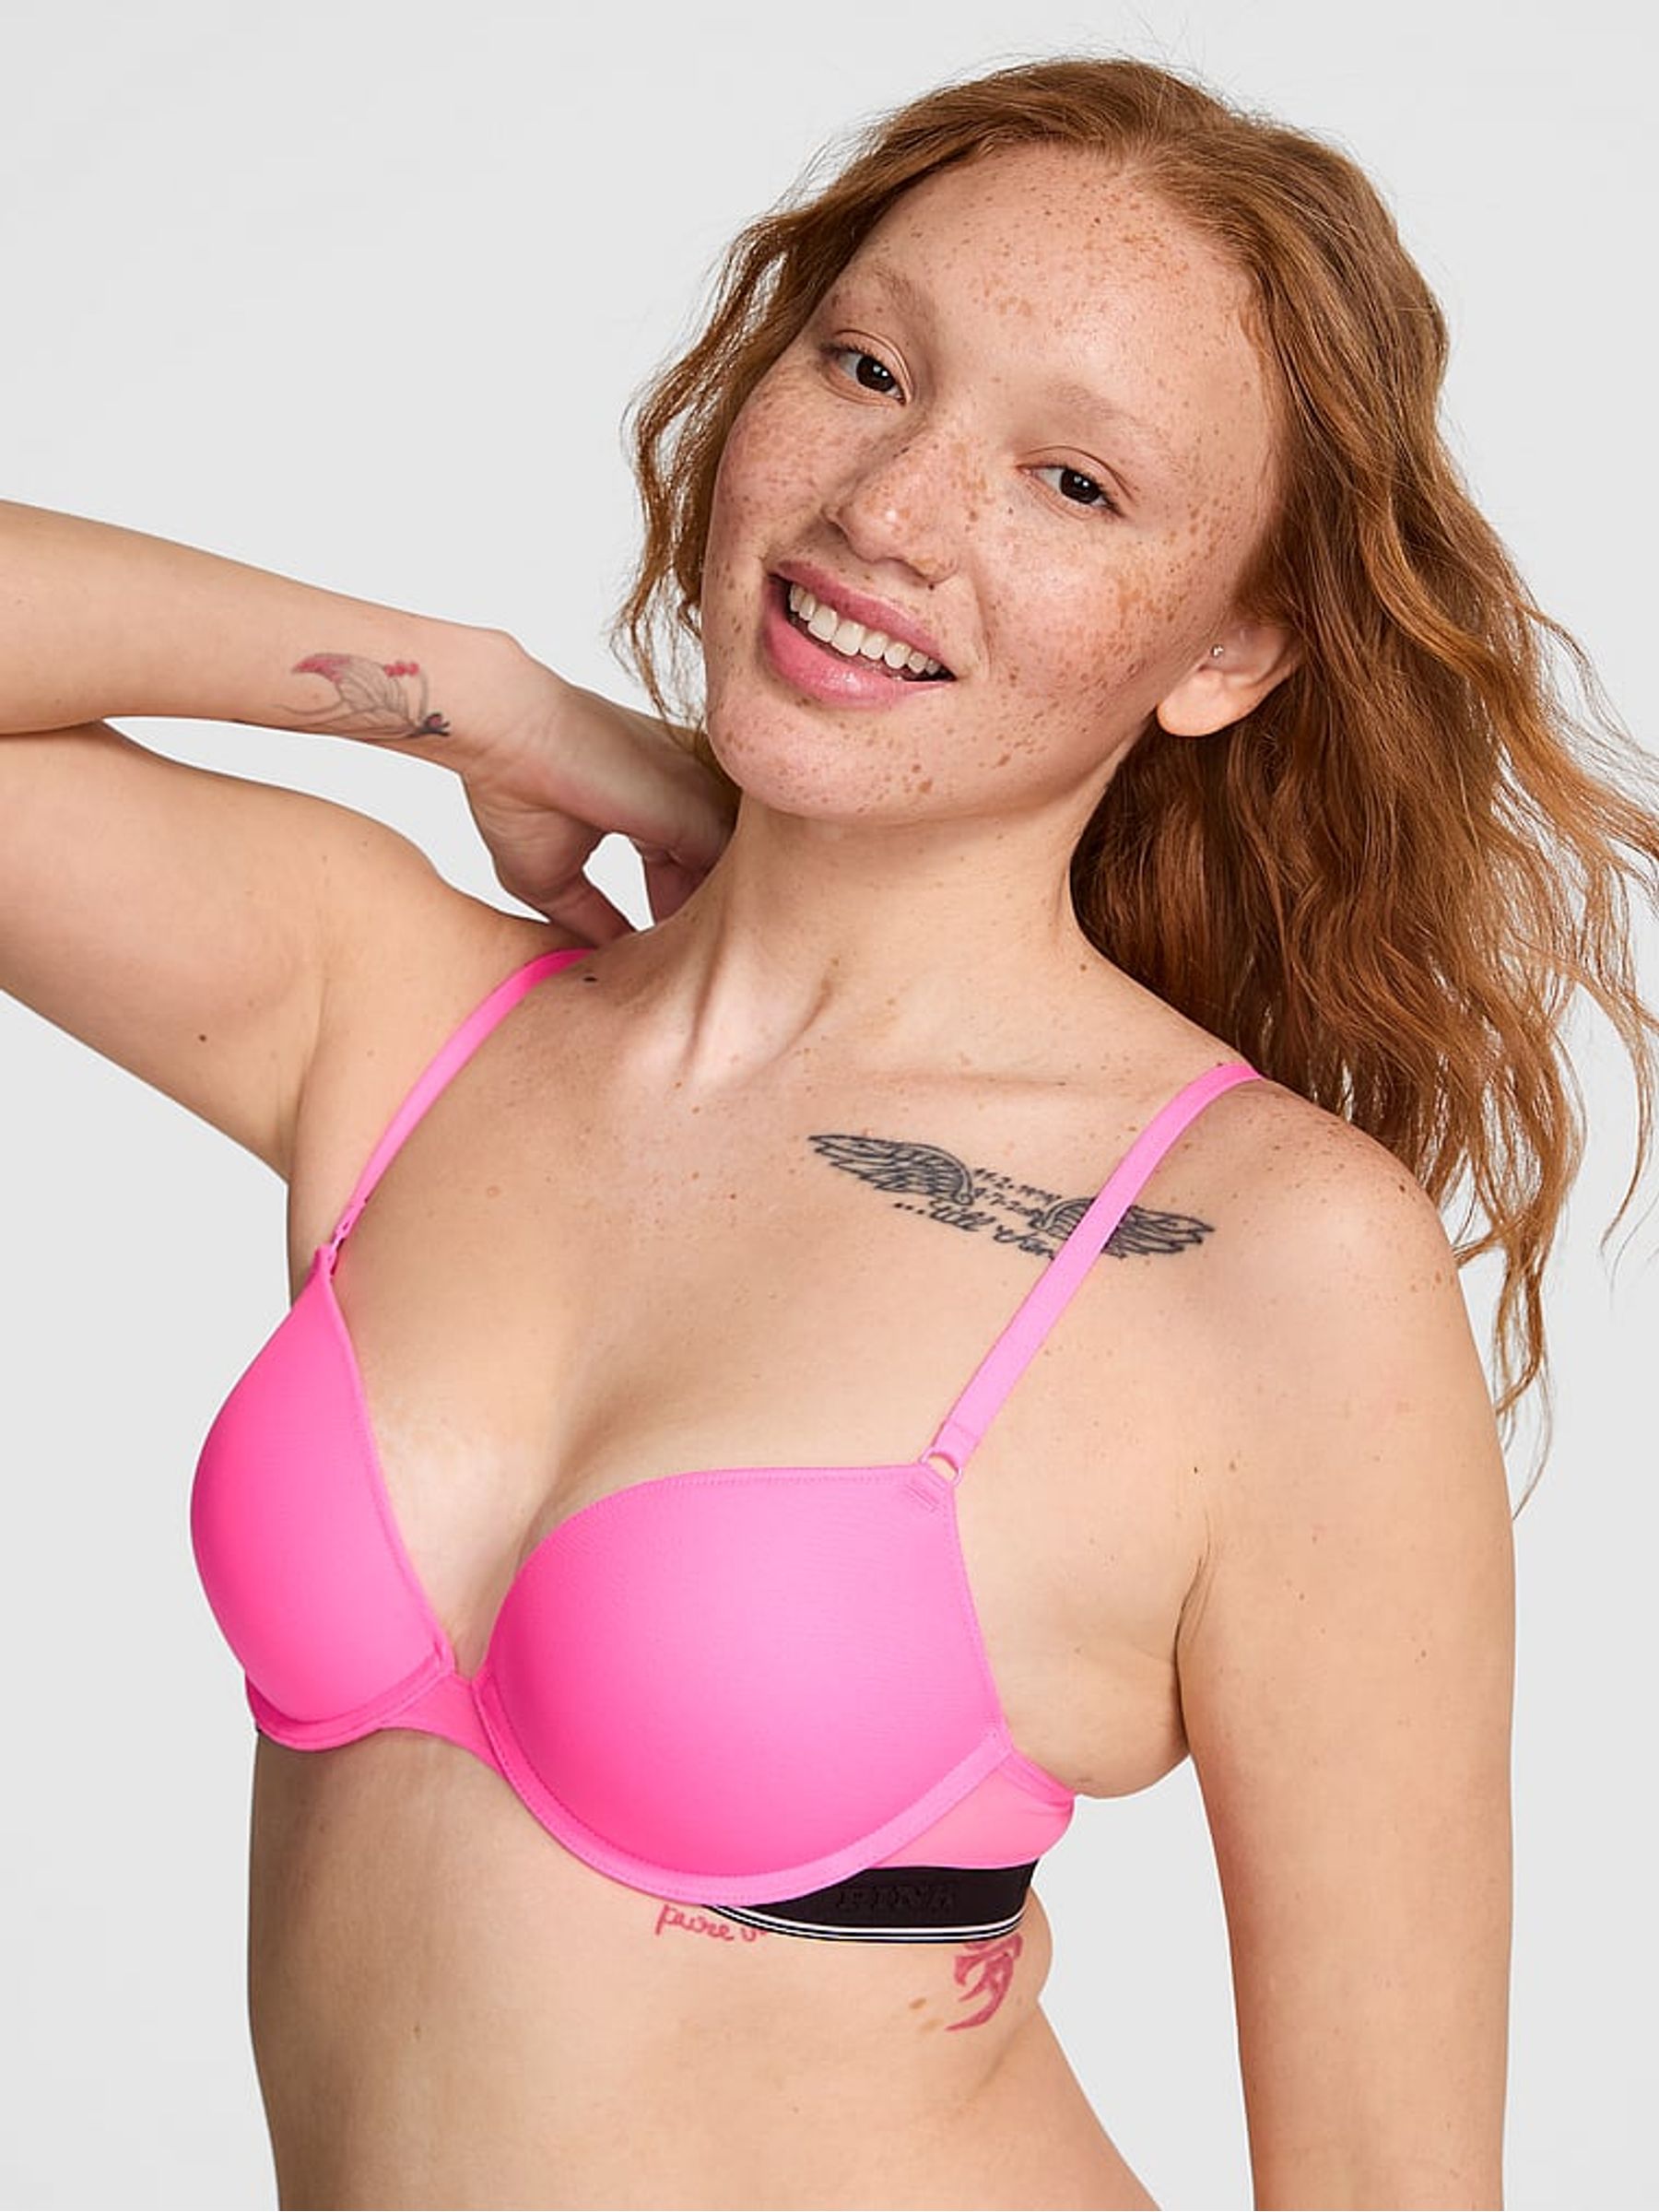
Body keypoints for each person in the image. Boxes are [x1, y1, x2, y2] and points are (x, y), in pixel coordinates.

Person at [3, 50, 1653, 2212]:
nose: (894, 510)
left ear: (1233, 649)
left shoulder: (1259, 1252)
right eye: (869, 367)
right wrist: (478, 693)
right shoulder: (397, 1019)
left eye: (1076, 484)